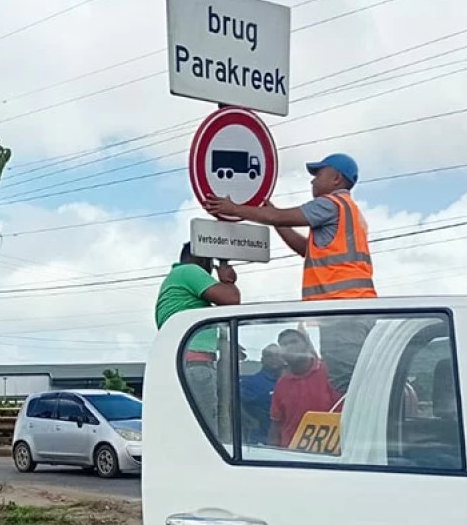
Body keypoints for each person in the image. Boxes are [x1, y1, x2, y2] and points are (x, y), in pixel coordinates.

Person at [204, 153, 377, 391]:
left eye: (318, 174)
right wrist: (274, 218)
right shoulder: (351, 212)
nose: (312, 181)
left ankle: (361, 428)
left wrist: (234, 208)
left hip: (342, 310)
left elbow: (282, 217)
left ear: (336, 178)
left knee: (346, 384)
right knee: (360, 381)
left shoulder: (330, 204)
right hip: (360, 309)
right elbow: (304, 247)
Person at [155, 242, 240, 431]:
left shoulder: (176, 278)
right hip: (197, 365)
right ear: (203, 259)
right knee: (206, 430)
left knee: (192, 425)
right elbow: (231, 299)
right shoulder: (189, 271)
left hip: (185, 362)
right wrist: (227, 280)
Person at [269, 329, 341, 448]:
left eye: (294, 342)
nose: (289, 347)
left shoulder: (329, 373)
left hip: (328, 455)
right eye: (284, 345)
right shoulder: (281, 384)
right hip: (289, 456)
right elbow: (275, 425)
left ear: (306, 345)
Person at [239, 344, 285, 444]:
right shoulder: (251, 382)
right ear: (262, 360)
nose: (275, 359)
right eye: (270, 355)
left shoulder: (291, 383)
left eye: (278, 355)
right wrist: (250, 420)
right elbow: (235, 405)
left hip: (287, 442)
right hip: (259, 443)